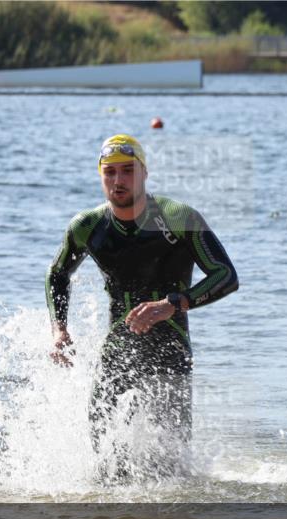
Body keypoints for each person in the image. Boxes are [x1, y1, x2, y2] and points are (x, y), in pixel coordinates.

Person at [45, 134, 238, 479]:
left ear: (144, 173)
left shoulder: (179, 217)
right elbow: (58, 273)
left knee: (171, 468)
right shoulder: (87, 227)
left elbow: (226, 275)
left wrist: (173, 303)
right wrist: (59, 329)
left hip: (171, 347)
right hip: (120, 345)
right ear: (101, 176)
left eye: (127, 171)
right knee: (102, 454)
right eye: (110, 173)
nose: (118, 181)